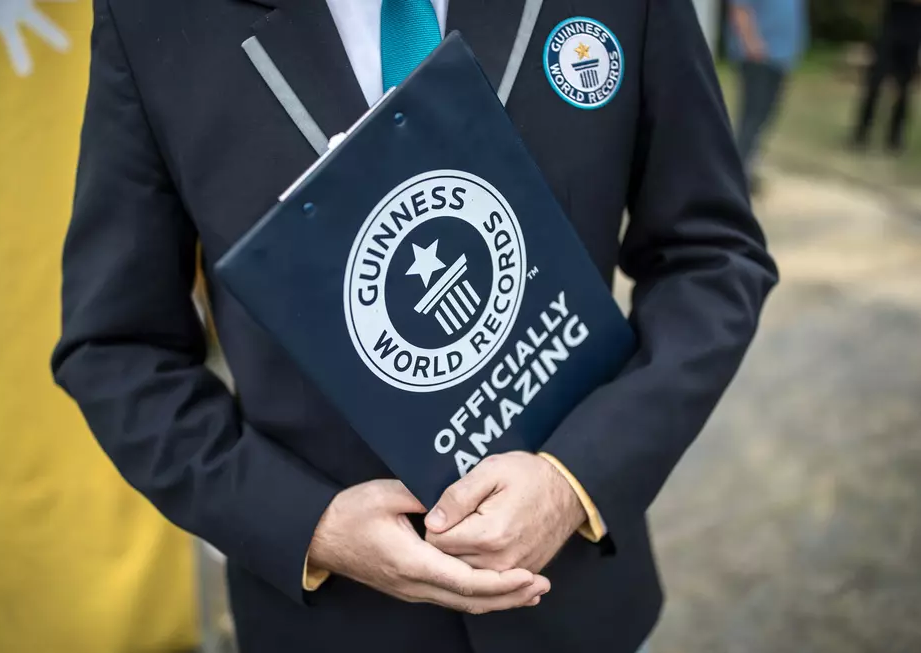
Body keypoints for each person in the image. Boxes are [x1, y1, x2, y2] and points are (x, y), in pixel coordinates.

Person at [51, 1, 777, 652]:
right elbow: (116, 346)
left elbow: (712, 256)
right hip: (328, 626)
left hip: (576, 611)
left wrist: (575, 477)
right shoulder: (154, 20)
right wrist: (307, 523)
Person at [727, 0, 807, 188]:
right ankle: (735, 173)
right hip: (758, 57)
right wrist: (752, 44)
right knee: (752, 115)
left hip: (781, 56)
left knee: (765, 115)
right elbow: (739, 9)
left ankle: (747, 166)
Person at [852, 0, 921, 154]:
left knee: (904, 89)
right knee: (874, 82)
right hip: (891, 26)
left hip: (913, 28)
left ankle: (895, 139)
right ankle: (861, 134)